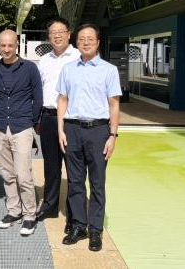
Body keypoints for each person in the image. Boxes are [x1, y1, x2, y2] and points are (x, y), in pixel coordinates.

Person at [57, 23, 121, 251]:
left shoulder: (109, 70)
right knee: (75, 181)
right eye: (82, 38)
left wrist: (112, 135)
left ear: (98, 42)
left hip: (98, 131)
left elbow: (114, 104)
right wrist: (60, 129)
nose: (86, 42)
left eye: (90, 38)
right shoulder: (68, 69)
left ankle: (95, 230)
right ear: (76, 42)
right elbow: (62, 100)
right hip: (72, 129)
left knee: (97, 182)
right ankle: (78, 225)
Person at [0, 29, 43, 236]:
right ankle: (14, 211)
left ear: (17, 45)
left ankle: (30, 214)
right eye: (3, 45)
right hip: (0, 126)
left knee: (23, 175)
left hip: (22, 126)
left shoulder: (29, 68)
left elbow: (38, 97)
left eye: (10, 45)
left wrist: (32, 121)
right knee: (7, 173)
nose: (6, 49)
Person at [36, 17, 80, 222]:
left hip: (71, 119)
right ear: (49, 37)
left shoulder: (79, 57)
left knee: (73, 168)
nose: (57, 36)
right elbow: (38, 91)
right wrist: (38, 118)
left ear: (68, 34)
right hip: (48, 117)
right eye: (53, 33)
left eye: (60, 32)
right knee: (51, 166)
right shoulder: (44, 60)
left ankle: (74, 212)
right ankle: (50, 206)